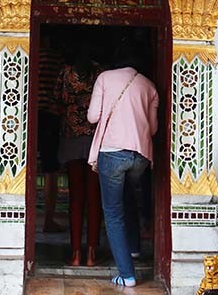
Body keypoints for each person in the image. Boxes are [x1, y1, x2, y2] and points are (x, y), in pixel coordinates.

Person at [87, 50, 158, 287]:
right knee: (128, 195)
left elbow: (92, 117)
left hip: (112, 152)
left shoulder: (105, 78)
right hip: (140, 155)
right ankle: (134, 248)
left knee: (113, 214)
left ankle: (127, 275)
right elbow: (153, 129)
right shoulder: (149, 86)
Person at [56, 43, 102, 266]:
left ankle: (75, 254)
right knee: (94, 198)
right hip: (95, 139)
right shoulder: (99, 73)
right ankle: (91, 254)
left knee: (76, 198)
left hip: (71, 138)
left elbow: (57, 101)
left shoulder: (65, 73)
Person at [37, 34, 64, 233]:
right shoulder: (56, 59)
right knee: (50, 170)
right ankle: (48, 219)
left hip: (28, 116)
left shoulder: (30, 54)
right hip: (50, 116)